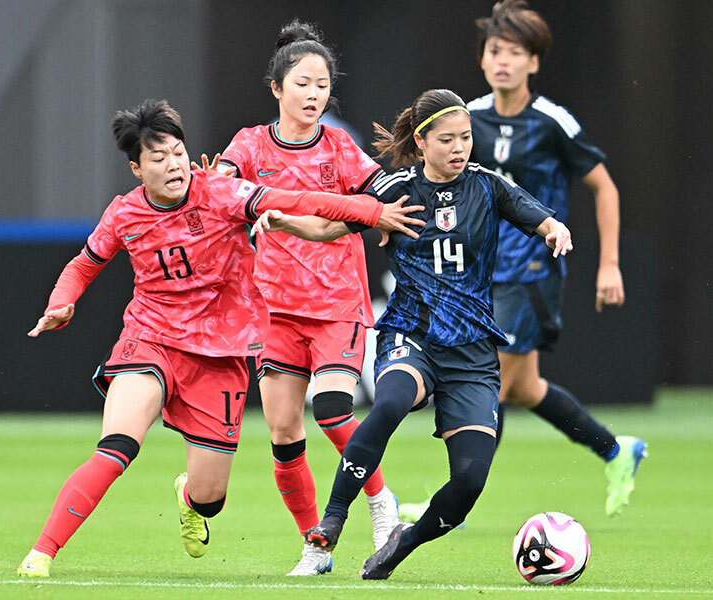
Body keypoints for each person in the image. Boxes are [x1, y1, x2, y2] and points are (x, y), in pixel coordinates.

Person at [15, 99, 423, 578]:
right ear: (136, 168)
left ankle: (189, 497)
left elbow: (296, 201)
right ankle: (40, 554)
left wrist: (369, 211)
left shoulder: (222, 193)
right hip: (151, 339)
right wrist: (61, 301)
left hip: (221, 356)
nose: (174, 165)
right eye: (158, 158)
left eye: (178, 152)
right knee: (117, 446)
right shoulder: (124, 213)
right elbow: (85, 263)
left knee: (210, 500)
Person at [253, 88, 571, 580]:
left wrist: (556, 230)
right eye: (447, 139)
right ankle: (331, 523)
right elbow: (330, 225)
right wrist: (283, 221)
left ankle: (403, 543)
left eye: (466, 137)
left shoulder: (489, 187)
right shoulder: (396, 189)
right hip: (412, 334)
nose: (460, 147)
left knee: (468, 482)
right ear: (422, 142)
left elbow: (540, 216)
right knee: (390, 403)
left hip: (471, 352)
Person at [400, 0, 646, 522]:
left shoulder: (552, 121)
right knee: (526, 387)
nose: (503, 61)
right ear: (483, 59)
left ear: (534, 62)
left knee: (493, 379)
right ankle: (615, 450)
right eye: (495, 51)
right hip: (483, 275)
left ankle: (454, 500)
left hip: (532, 271)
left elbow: (604, 187)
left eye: (515, 53)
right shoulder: (465, 118)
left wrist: (610, 264)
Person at [215, 20, 401, 576]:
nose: (314, 94)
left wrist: (394, 204)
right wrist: (237, 199)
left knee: (335, 410)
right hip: (273, 307)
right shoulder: (249, 144)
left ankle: (380, 502)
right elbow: (221, 189)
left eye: (323, 84)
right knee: (282, 432)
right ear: (277, 88)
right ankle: (315, 546)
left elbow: (377, 192)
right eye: (302, 83)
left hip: (337, 303)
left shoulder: (339, 147)